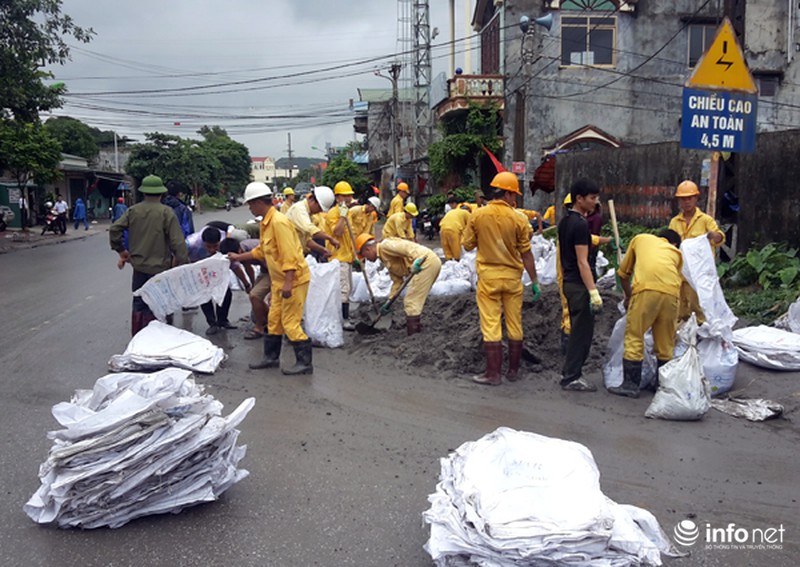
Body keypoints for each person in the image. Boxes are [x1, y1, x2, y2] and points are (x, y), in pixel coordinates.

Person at [461, 171, 540, 385]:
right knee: (515, 323)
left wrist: (483, 238)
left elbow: (467, 244)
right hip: (513, 278)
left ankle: (493, 374)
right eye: (514, 196)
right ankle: (513, 371)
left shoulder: (478, 215)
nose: (515, 200)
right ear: (507, 195)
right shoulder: (519, 218)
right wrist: (534, 282)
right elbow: (526, 254)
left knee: (491, 324)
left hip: (489, 277)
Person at [228, 182, 313, 375]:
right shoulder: (267, 222)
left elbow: (289, 254)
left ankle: (305, 363)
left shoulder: (278, 222)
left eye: (250, 203)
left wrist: (289, 282)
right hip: (279, 281)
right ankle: (271, 358)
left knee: (290, 323)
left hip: (293, 280)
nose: (249, 207)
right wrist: (239, 257)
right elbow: (261, 251)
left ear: (259, 202)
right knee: (274, 320)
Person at [109, 175, 189, 336]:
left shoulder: (133, 211)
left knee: (139, 302)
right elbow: (178, 242)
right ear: (161, 193)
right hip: (161, 268)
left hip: (139, 268)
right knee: (163, 304)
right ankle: (161, 338)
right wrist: (182, 262)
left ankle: (139, 337)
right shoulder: (166, 212)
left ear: (144, 192)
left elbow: (115, 229)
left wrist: (121, 250)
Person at [610, 229, 684, 397]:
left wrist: (629, 296)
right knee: (665, 342)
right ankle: (661, 385)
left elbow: (623, 274)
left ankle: (630, 385)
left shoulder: (640, 238)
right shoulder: (677, 254)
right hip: (672, 295)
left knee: (635, 335)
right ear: (674, 243)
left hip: (646, 291)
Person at [558, 178, 603, 392]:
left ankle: (569, 372)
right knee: (582, 334)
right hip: (579, 284)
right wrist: (593, 291)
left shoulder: (566, 221)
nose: (595, 202)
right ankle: (572, 377)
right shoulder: (580, 225)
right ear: (579, 199)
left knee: (578, 330)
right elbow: (582, 261)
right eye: (592, 198)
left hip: (568, 281)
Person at [355, 233, 441, 335]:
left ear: (368, 249)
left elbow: (407, 248)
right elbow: (397, 282)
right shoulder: (384, 257)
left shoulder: (385, 246)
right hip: (426, 264)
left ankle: (414, 336)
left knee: (411, 302)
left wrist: (417, 260)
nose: (366, 259)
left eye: (364, 256)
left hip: (425, 263)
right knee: (413, 301)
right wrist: (389, 302)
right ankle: (414, 331)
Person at [668, 180, 724, 323]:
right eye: (683, 199)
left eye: (690, 198)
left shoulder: (705, 220)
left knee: (699, 309)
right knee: (678, 309)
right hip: (680, 274)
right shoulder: (674, 222)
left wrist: (713, 236)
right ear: (679, 201)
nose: (686, 202)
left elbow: (719, 238)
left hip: (699, 276)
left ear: (696, 198)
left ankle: (701, 333)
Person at [185, 227, 248, 335]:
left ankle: (222, 320)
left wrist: (246, 283)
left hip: (217, 269)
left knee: (226, 293)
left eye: (215, 246)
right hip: (198, 269)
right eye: (208, 246)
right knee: (204, 296)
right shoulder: (191, 244)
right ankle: (212, 323)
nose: (212, 250)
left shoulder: (224, 244)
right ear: (203, 242)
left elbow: (235, 266)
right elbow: (178, 256)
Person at [327, 181, 357, 330]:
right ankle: (344, 319)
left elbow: (350, 235)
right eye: (345, 196)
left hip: (347, 256)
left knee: (348, 288)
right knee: (343, 290)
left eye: (349, 196)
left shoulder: (348, 212)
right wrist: (342, 217)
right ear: (338, 197)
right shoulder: (334, 213)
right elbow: (337, 232)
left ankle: (343, 316)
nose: (349, 199)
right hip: (338, 257)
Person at [285, 186, 338, 258]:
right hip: (288, 253)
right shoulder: (299, 209)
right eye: (319, 208)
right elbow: (310, 229)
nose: (319, 211)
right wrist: (330, 238)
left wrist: (322, 250)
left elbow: (306, 240)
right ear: (312, 200)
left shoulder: (308, 214)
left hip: (296, 254)